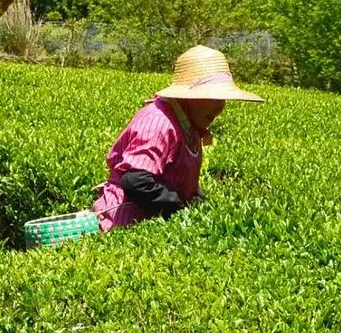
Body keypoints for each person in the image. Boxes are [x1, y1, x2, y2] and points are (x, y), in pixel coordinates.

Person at [92, 46, 262, 230]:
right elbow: (136, 181)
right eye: (213, 97)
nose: (220, 107)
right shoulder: (160, 123)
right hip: (127, 224)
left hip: (157, 223)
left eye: (223, 99)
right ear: (189, 98)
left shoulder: (187, 123)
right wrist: (179, 210)